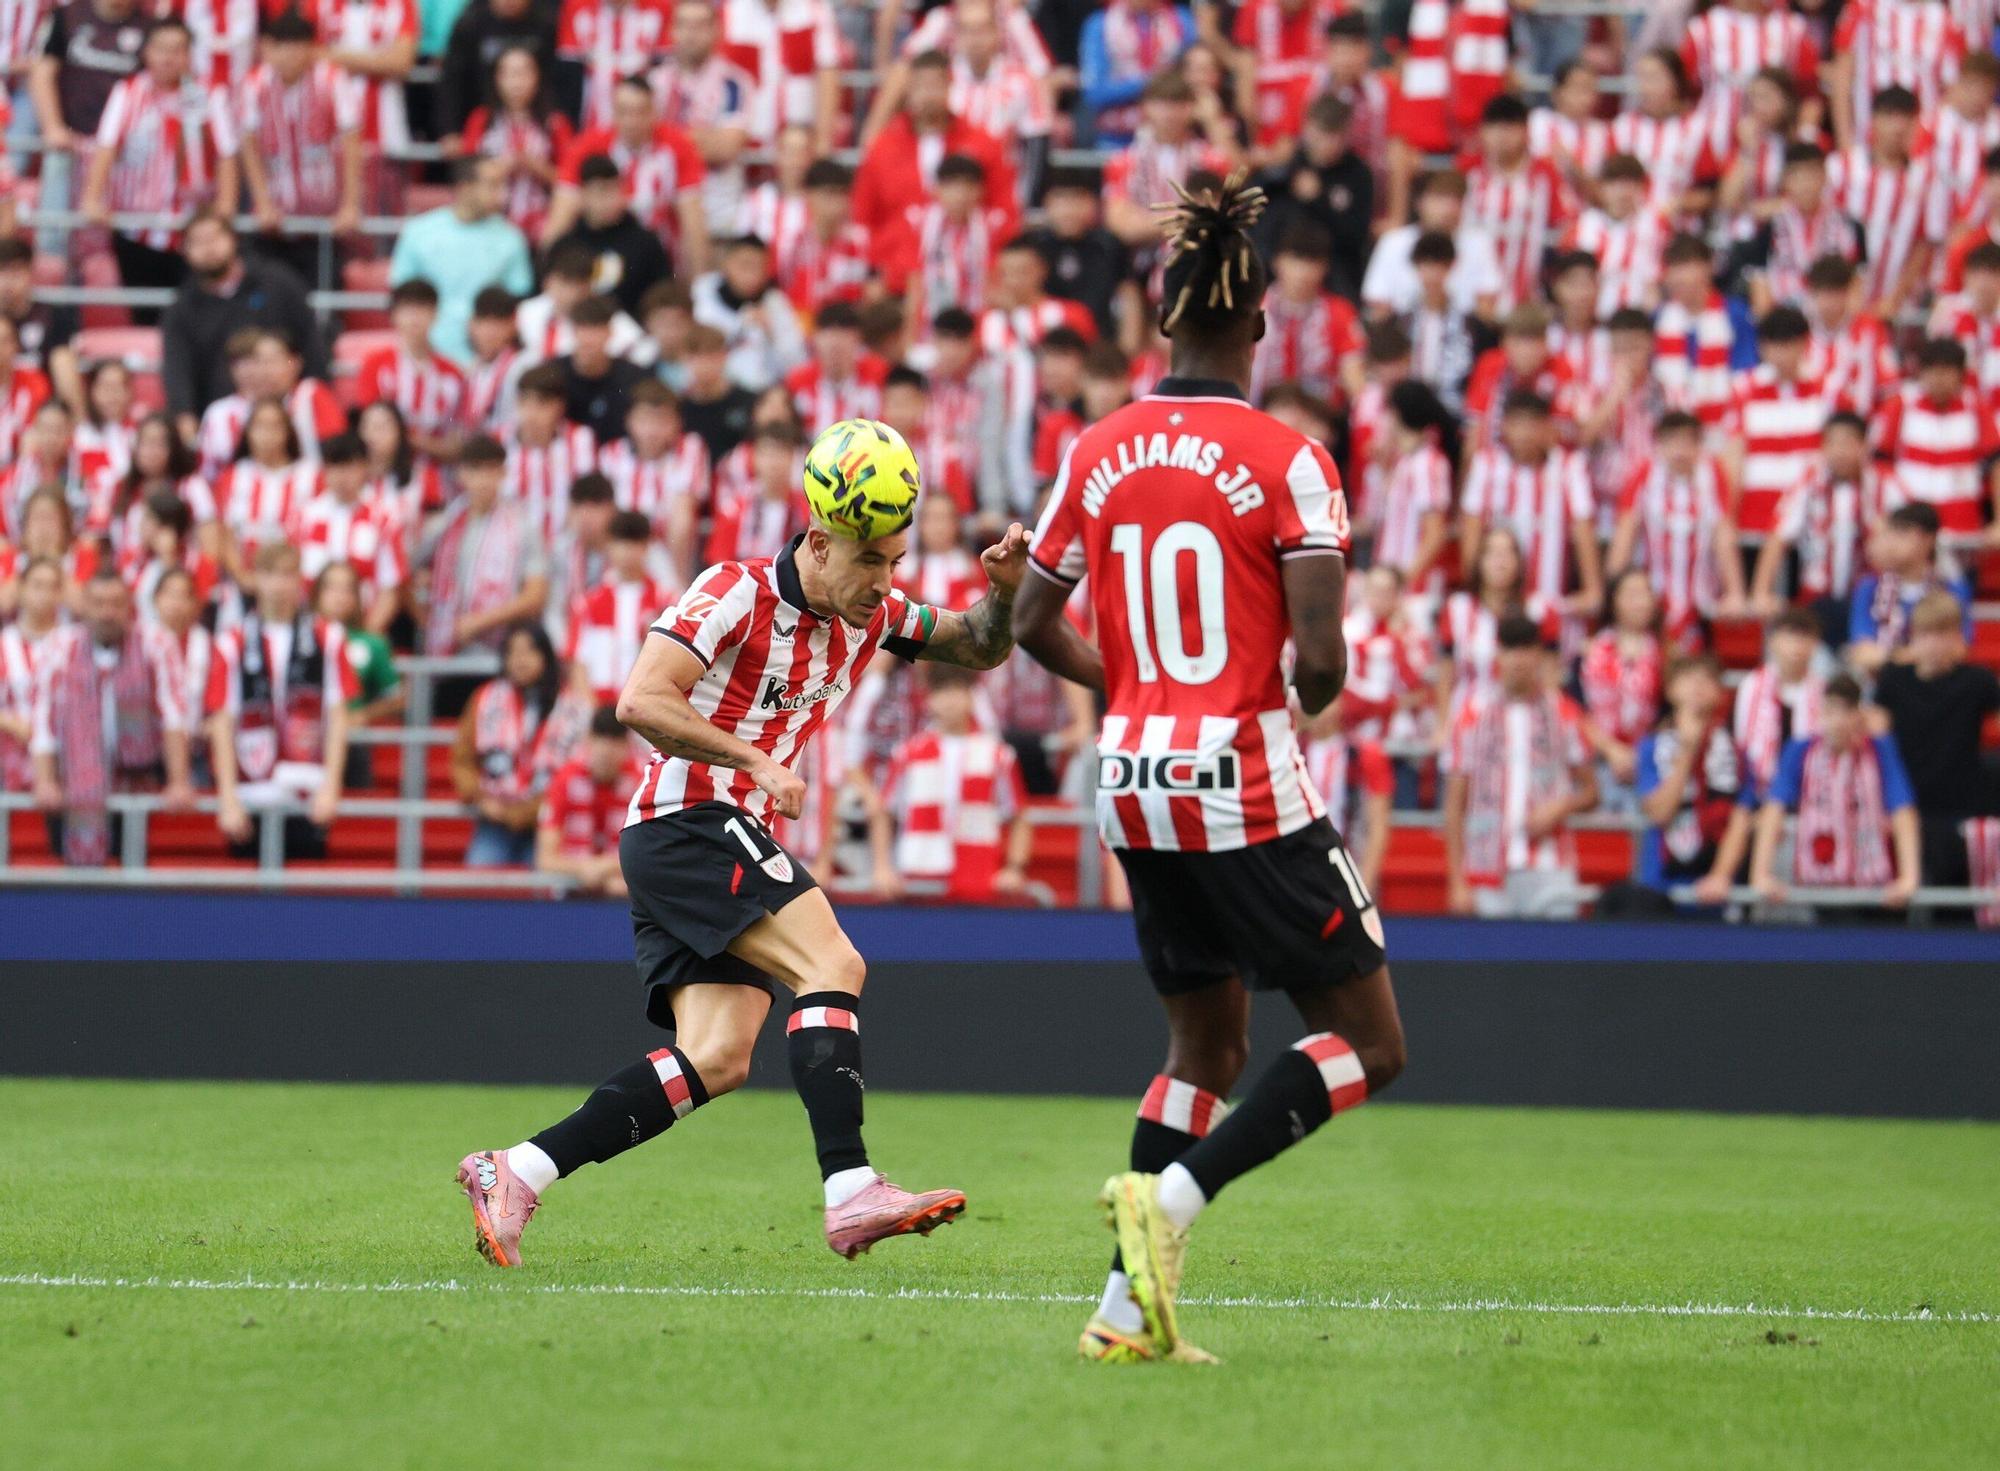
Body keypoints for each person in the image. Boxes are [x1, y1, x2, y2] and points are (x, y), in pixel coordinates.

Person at [456, 414, 1032, 1270]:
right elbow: (641, 699)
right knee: (833, 965)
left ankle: (516, 1170)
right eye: (870, 558)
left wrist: (1008, 587)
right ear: (820, 541)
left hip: (704, 831)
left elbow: (982, 645)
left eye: (895, 559)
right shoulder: (733, 590)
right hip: (688, 816)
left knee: (718, 1056)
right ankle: (850, 1189)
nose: (884, 578)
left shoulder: (875, 615)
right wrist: (753, 759)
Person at [1010, 175, 1404, 1365]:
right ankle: (1168, 1204)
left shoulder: (1094, 445)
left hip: (1128, 776)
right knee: (1372, 1043)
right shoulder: (1289, 457)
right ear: (1259, 329)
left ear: (1160, 319)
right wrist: (1290, 696)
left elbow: (1028, 621)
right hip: (1237, 772)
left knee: (1206, 1050)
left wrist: (1128, 685)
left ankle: (1123, 1314)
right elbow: (1323, 659)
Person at [30, 569, 194, 865]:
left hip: (137, 779)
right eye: (98, 603)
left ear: (129, 606)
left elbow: (172, 715)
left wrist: (179, 780)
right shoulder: (60, 646)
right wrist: (45, 780)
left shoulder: (156, 643)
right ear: (84, 606)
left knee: (132, 868)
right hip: (75, 780)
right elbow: (44, 719)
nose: (107, 612)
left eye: (115, 604)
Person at [1442, 613, 1600, 919]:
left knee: (1555, 960)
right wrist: (1457, 882)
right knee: (1493, 964)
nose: (1518, 660)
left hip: (1550, 865)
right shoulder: (1470, 716)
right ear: (1499, 654)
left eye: (1526, 649)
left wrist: (1559, 808)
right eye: (1511, 649)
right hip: (1487, 868)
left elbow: (1592, 791)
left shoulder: (1563, 712)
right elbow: (1454, 805)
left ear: (1539, 655)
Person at [206, 541, 355, 858]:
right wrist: (228, 798)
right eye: (271, 574)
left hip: (307, 790)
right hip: (252, 790)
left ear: (300, 580)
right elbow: (222, 723)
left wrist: (331, 786)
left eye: (288, 575)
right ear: (255, 578)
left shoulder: (327, 637)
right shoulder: (232, 641)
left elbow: (337, 717)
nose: (279, 584)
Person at [78, 17, 237, 301]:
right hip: (137, 229)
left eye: (178, 50)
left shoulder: (211, 95)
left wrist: (226, 205)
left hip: (194, 231)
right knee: (145, 311)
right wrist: (92, 198)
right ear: (147, 52)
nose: (169, 58)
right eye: (162, 49)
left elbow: (226, 155)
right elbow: (106, 148)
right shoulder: (127, 92)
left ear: (189, 55)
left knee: (198, 309)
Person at [1749, 672, 1920, 912]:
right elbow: (1773, 811)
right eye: (1831, 711)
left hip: (1874, 888)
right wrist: (1760, 875)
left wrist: (1909, 878)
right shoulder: (1800, 751)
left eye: (1847, 711)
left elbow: (1903, 811)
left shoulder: (1881, 750)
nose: (1839, 720)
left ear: (1859, 714)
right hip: (1819, 886)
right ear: (1820, 712)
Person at [869, 661, 1031, 901]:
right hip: (917, 881)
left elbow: (1019, 816)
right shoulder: (908, 753)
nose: (950, 701)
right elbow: (883, 811)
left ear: (971, 696)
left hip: (978, 879)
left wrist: (1014, 869)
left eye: (957, 690)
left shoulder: (997, 755)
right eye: (942, 692)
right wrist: (882, 868)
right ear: (929, 699)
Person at [1870, 590, 2000, 888]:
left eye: (1944, 633)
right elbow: (1876, 741)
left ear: (1959, 637)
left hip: (1961, 805)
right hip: (1905, 802)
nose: (1934, 643)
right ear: (1913, 636)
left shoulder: (1978, 681)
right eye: (1926, 633)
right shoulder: (1893, 679)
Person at [161, 212, 325, 434]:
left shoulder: (279, 284)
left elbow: (310, 344)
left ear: (234, 239)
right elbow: (178, 368)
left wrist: (307, 399)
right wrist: (184, 414)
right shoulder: (181, 310)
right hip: (218, 422)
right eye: (198, 242)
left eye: (214, 238)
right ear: (185, 251)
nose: (209, 249)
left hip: (288, 417)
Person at [450, 618, 577, 866]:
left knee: (548, 890)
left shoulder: (571, 707)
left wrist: (528, 811)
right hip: (494, 818)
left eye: (529, 650)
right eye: (513, 652)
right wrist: (479, 798)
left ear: (546, 656)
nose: (521, 660)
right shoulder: (484, 699)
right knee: (480, 882)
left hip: (552, 822)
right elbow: (461, 758)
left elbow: (576, 768)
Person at [387, 155, 535, 364]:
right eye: (492, 185)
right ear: (465, 187)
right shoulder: (418, 232)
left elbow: (516, 301)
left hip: (488, 360)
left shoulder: (512, 238)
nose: (502, 194)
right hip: (427, 358)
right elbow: (403, 295)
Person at [419, 434, 549, 656]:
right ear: (461, 474)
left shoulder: (522, 527)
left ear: (503, 473)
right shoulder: (443, 525)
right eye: (475, 470)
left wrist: (479, 622)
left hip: (500, 650)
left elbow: (535, 596)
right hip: (445, 649)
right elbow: (401, 575)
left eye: (491, 471)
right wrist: (427, 621)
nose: (483, 480)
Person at [1637, 654, 1745, 902]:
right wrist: (1688, 748)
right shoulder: (1651, 747)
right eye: (1687, 677)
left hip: (1718, 891)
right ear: (1670, 690)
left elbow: (1740, 819)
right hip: (1662, 888)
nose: (1697, 684)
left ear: (1720, 692)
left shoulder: (1736, 752)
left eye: (1707, 678)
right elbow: (1659, 812)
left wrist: (1720, 876)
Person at [546, 153, 672, 317]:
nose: (611, 200)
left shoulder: (645, 243)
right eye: (601, 192)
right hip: (578, 332)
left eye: (616, 190)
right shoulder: (565, 246)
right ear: (583, 195)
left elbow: (662, 296)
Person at [536, 702, 641, 897]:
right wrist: (586, 869)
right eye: (600, 738)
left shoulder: (640, 785)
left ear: (627, 746)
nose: (607, 750)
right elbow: (545, 859)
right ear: (588, 740)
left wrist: (603, 868)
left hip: (621, 898)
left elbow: (647, 857)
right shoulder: (564, 781)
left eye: (615, 741)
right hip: (568, 896)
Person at [556, 293, 650, 443]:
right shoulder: (553, 374)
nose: (589, 339)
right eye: (582, 329)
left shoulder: (635, 378)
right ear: (572, 332)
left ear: (610, 332)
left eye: (596, 330)